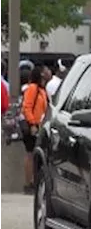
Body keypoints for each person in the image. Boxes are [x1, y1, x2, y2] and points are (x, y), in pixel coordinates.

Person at [21, 64, 51, 193]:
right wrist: (32, 123)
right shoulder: (33, 88)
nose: (49, 72)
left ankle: (35, 180)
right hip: (32, 126)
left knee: (36, 154)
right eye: (46, 71)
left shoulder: (42, 90)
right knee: (30, 153)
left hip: (40, 125)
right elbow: (26, 107)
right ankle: (29, 183)